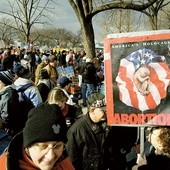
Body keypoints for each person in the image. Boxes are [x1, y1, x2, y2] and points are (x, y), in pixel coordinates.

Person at [0, 103, 75, 170]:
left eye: (57, 146)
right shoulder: (3, 166)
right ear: (27, 148)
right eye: (43, 147)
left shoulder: (64, 163)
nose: (50, 157)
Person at [66, 93, 111, 170]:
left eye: (108, 110)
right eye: (103, 110)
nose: (106, 113)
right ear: (92, 110)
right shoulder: (76, 130)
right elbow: (72, 158)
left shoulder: (108, 124)